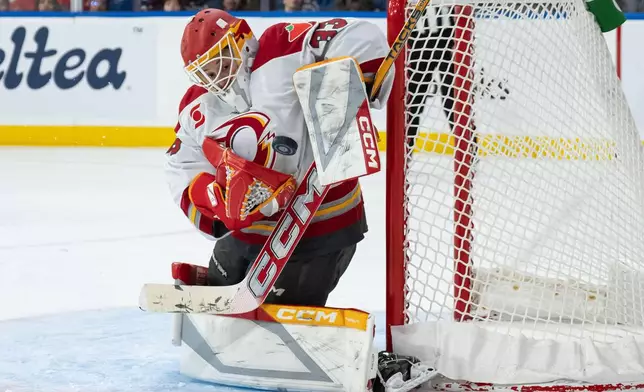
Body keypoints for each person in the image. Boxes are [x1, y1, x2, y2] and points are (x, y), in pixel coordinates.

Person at [164, 9, 393, 307]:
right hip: (248, 231)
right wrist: (210, 199)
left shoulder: (281, 47)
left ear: (242, 42)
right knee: (223, 298)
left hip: (322, 223)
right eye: (205, 72)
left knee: (282, 308)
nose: (214, 78)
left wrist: (346, 84)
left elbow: (360, 36)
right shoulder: (198, 105)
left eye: (219, 62)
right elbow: (181, 163)